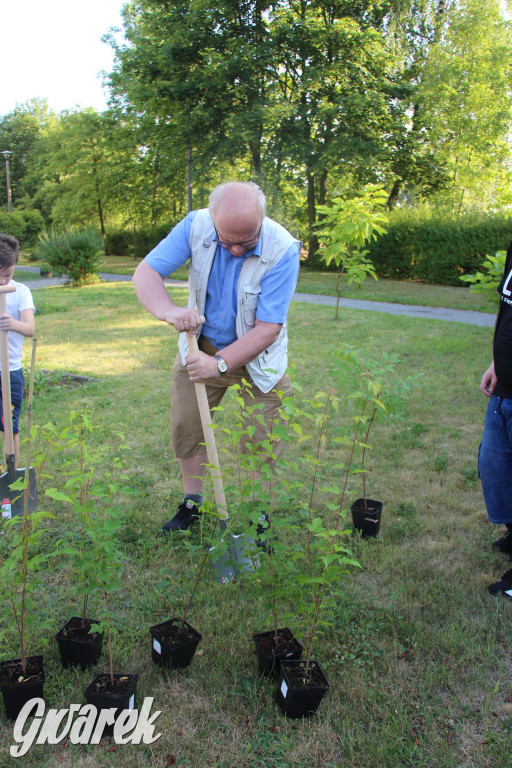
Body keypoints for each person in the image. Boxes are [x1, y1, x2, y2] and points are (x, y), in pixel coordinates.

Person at [132, 181, 301, 532]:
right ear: (213, 222)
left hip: (259, 360)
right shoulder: (195, 226)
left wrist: (221, 363)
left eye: (247, 241)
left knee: (260, 440)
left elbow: (268, 327)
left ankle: (259, 519)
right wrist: (169, 312)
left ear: (262, 221)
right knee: (186, 428)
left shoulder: (283, 248)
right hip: (201, 348)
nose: (237, 250)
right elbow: (146, 273)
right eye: (228, 241)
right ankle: (192, 504)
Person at [0, 234, 35, 469]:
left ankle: (12, 473)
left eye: (7, 275)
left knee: (10, 427)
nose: (2, 282)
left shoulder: (21, 291)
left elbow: (30, 328)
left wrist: (11, 324)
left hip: (10, 372)